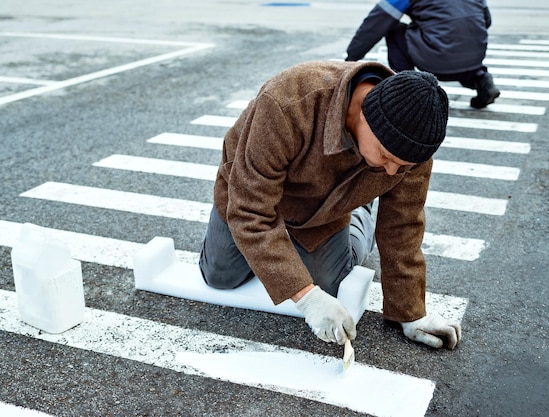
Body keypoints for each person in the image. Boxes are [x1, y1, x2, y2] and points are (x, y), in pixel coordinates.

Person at [198, 60, 461, 350]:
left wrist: (411, 313)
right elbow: (249, 211)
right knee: (220, 276)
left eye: (402, 166)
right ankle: (352, 213)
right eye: (386, 156)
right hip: (249, 192)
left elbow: (403, 223)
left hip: (327, 210)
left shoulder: (413, 146)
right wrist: (306, 297)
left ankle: (361, 216)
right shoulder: (288, 102)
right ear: (363, 113)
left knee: (329, 284)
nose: (390, 172)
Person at [345, 0, 500, 109]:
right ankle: (482, 80)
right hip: (474, 57)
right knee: (450, 37)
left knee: (394, 31)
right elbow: (486, 20)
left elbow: (375, 24)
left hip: (438, 59)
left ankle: (408, 90)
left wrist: (351, 58)